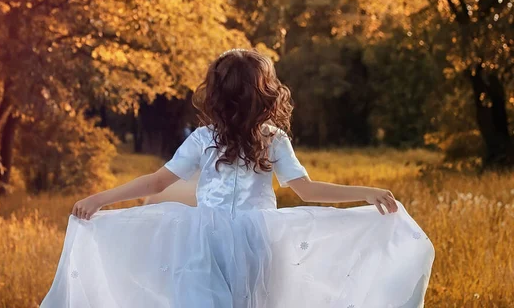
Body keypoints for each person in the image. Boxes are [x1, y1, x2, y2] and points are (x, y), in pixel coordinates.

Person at [40, 49, 435, 308]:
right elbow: (307, 190)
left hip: (223, 243)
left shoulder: (261, 140)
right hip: (241, 243)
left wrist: (367, 194)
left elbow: (156, 182)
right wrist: (99, 199)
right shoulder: (234, 139)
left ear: (216, 94)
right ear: (265, 94)